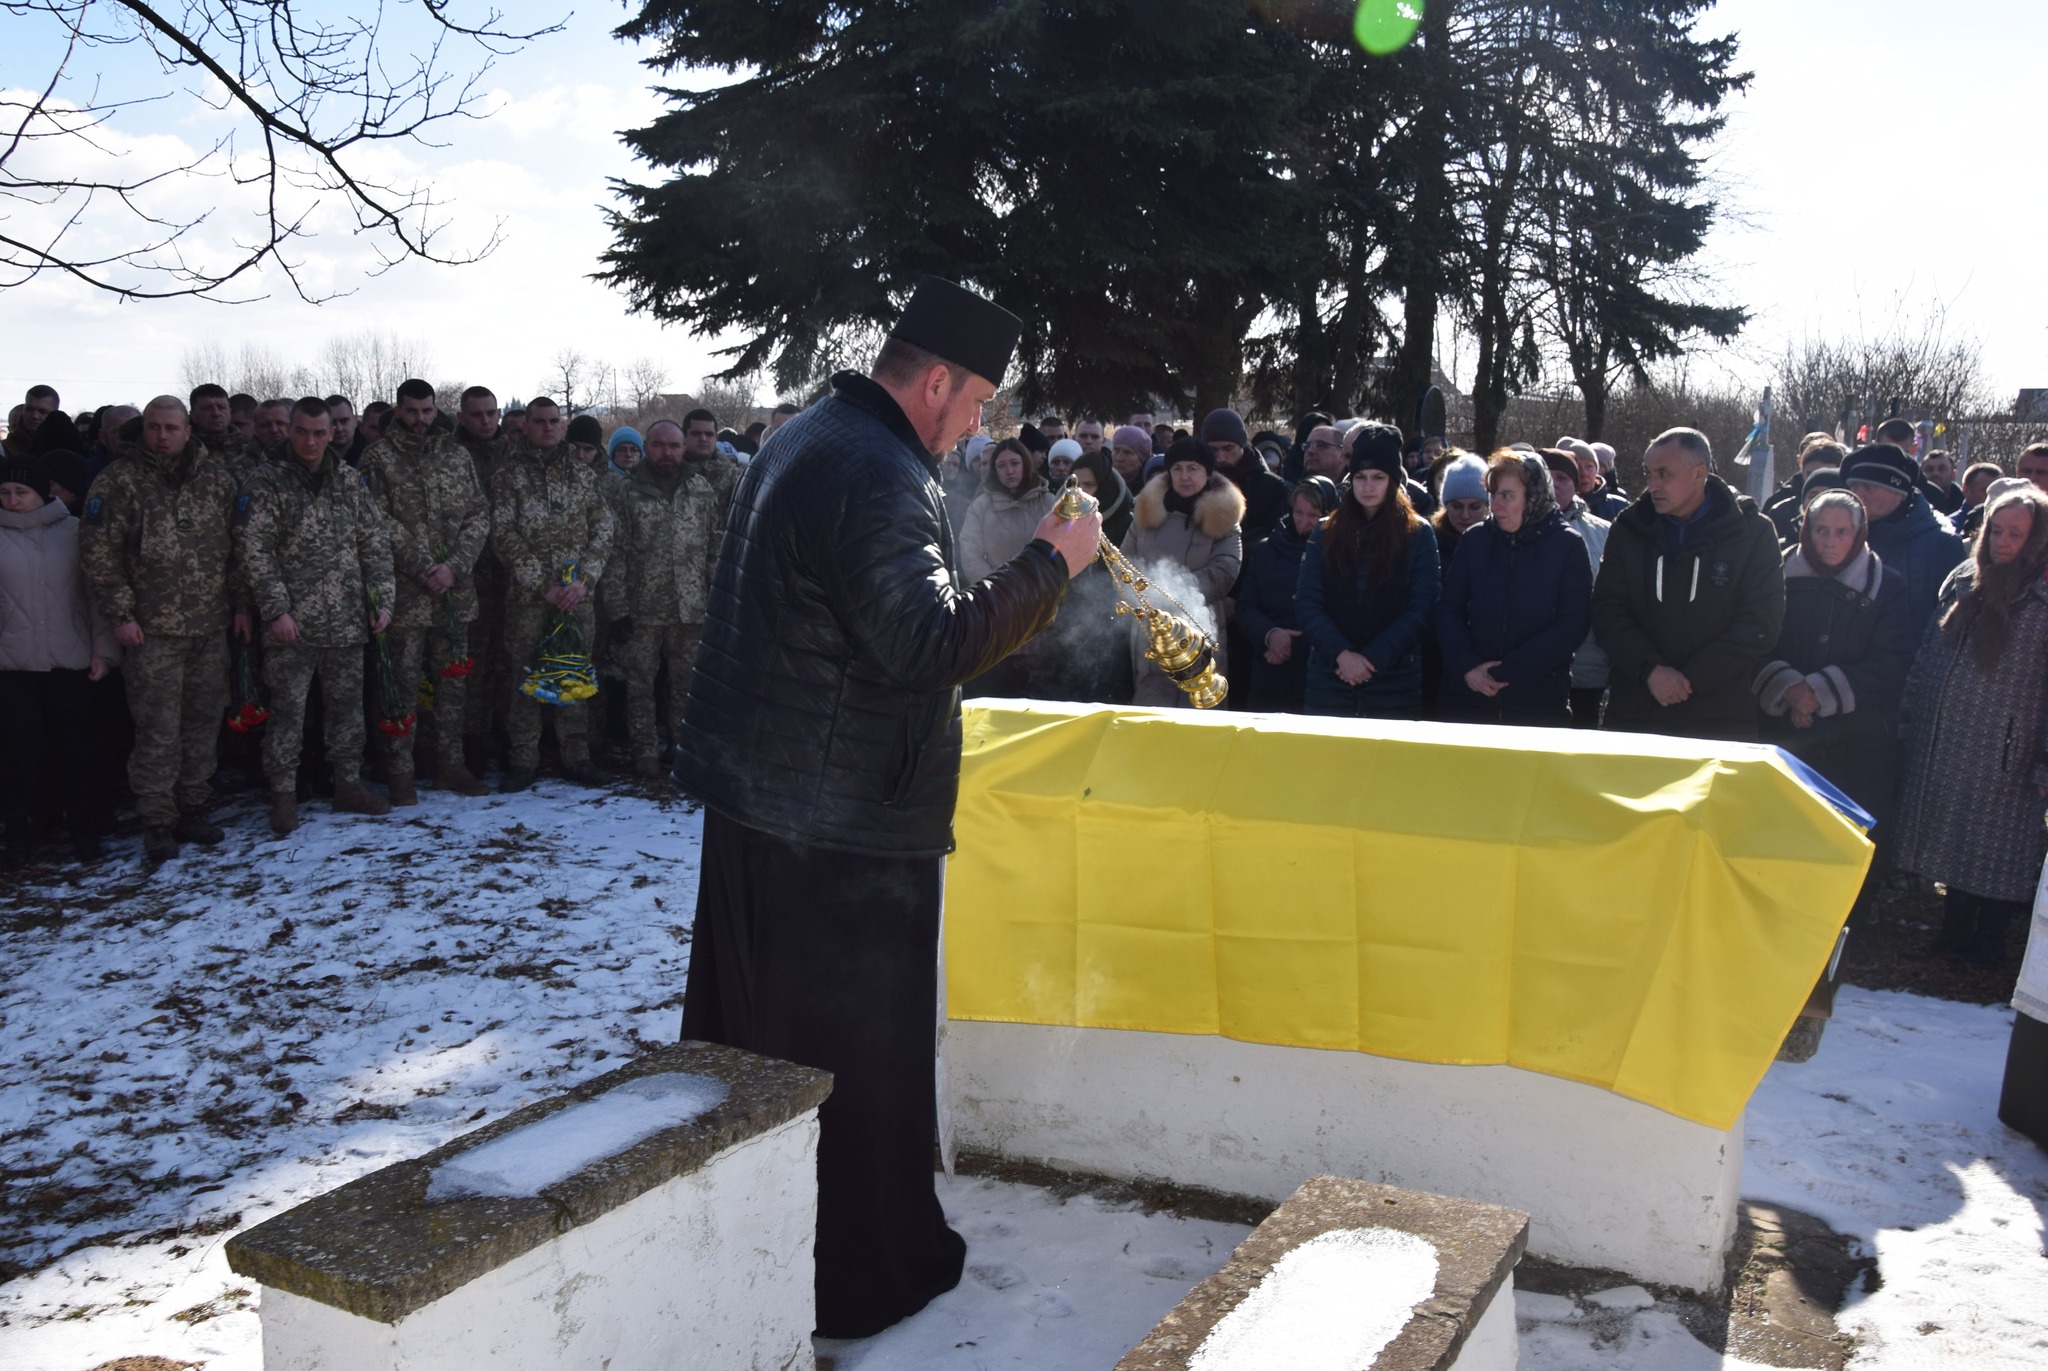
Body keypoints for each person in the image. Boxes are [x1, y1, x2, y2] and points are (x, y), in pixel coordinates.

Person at [674, 276, 1096, 1338]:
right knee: (841, 1073)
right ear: (938, 379)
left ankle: (751, 1254)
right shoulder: (871, 468)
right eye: (978, 403)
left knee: (756, 1062)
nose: (979, 428)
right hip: (838, 831)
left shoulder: (814, 432)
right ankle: (855, 1278)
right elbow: (922, 645)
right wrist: (1052, 564)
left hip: (768, 806)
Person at [79, 396, 245, 863]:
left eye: (171, 427)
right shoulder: (118, 482)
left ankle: (193, 808)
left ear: (188, 430)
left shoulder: (215, 480)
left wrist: (240, 606)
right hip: (151, 632)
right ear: (143, 430)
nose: (163, 436)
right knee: (157, 730)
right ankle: (156, 821)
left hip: (209, 625)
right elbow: (98, 558)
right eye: (154, 427)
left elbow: (235, 549)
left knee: (202, 723)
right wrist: (121, 616)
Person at [1896, 486, 2048, 970]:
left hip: (2011, 746)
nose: (2003, 542)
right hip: (1949, 737)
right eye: (1997, 531)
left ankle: (1990, 943)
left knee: (2001, 850)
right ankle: (1952, 932)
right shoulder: (1965, 578)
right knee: (1957, 840)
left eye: (2016, 534)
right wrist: (1912, 713)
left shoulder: (2043, 596)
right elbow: (1928, 649)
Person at [1753, 489, 1914, 927]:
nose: (1830, 541)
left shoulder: (1888, 585)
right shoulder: (1773, 572)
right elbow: (1752, 638)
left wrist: (1820, 693)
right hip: (1783, 730)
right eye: (1822, 530)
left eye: (1842, 532)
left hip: (1857, 736)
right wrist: (1788, 688)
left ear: (1860, 534)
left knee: (1847, 835)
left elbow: (1893, 659)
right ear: (1805, 528)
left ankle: (1846, 928)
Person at [238, 398, 398, 835]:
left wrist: (381, 602)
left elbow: (375, 545)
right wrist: (276, 609)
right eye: (302, 432)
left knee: (348, 712)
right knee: (288, 713)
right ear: (289, 431)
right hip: (294, 625)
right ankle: (283, 795)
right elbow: (256, 551)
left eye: (319, 433)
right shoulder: (267, 482)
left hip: (347, 620)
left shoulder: (349, 482)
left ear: (332, 434)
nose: (310, 441)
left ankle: (347, 784)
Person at [1592, 427, 1784, 741]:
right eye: (1649, 473)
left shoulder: (1751, 533)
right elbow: (1607, 610)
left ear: (1700, 473)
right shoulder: (1630, 528)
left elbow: (1761, 622)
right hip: (1636, 711)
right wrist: (1650, 671)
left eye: (1664, 474)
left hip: (1719, 718)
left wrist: (1691, 679)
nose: (1652, 485)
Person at [359, 379, 492, 802]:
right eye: (412, 411)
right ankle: (400, 769)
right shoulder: (377, 459)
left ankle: (449, 765)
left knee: (453, 685)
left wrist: (453, 567)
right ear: (398, 411)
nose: (420, 419)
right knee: (399, 685)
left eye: (427, 411)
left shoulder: (456, 456)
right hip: (405, 596)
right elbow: (376, 519)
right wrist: (423, 567)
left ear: (437, 411)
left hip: (454, 592)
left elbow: (478, 514)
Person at [489, 396, 616, 792]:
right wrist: (540, 584)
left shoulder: (582, 476)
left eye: (554, 421)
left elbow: (603, 531)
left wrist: (584, 582)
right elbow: (503, 535)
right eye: (539, 421)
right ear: (526, 426)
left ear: (563, 426)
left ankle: (575, 756)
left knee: (573, 674)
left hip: (576, 598)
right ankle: (523, 759)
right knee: (524, 677)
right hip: (530, 600)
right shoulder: (508, 476)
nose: (547, 428)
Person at [0, 456, 118, 867]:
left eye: (22, 492)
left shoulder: (74, 532)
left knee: (76, 750)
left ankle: (83, 830)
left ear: (43, 493)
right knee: (18, 754)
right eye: (5, 492)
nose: (12, 500)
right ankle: (20, 834)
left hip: (69, 661)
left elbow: (97, 597)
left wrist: (103, 651)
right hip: (12, 667)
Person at [609, 416, 735, 780]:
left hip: (691, 608)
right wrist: (617, 609)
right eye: (660, 445)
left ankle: (682, 747)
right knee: (640, 685)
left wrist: (718, 599)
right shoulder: (624, 492)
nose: (668, 452)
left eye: (674, 446)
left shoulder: (699, 490)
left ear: (683, 449)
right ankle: (645, 752)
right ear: (647, 448)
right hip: (641, 608)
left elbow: (715, 547)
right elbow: (614, 552)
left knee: (686, 686)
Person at [1297, 422, 1440, 719]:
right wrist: (1342, 655)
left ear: (1392, 480)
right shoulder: (1327, 531)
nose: (1368, 486)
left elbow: (1422, 608)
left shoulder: (1417, 533)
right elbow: (1308, 601)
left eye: (1378, 477)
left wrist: (1371, 659)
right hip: (1330, 677)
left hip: (1394, 682)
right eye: (1360, 477)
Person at [1435, 449, 1590, 724]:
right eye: (1493, 495)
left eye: (1507, 495)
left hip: (1537, 703)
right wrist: (1467, 666)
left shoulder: (1567, 546)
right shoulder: (1475, 541)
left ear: (1533, 495)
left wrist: (1506, 673)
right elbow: (1449, 610)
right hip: (1469, 699)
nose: (1496, 506)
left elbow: (1572, 625)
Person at [1120, 437, 1244, 707]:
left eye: (1193, 468)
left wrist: (1169, 593)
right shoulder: (1146, 513)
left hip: (1201, 628)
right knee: (1151, 719)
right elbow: (1125, 564)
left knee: (1199, 715)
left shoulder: (1223, 516)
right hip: (1150, 633)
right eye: (1177, 469)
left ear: (1207, 472)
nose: (1185, 476)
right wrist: (1142, 595)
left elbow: (1225, 570)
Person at [1843, 443, 1966, 643]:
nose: (1859, 494)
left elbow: (1952, 626)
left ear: (1898, 493)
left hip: (1913, 667)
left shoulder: (1943, 545)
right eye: (1855, 486)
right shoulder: (1843, 538)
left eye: (1869, 487)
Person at [1238, 477, 1337, 712]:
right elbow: (1246, 607)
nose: (1304, 522)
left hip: (1321, 669)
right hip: (1271, 667)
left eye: (1313, 515)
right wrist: (1270, 635)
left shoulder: (1338, 555)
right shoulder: (1265, 551)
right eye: (1299, 513)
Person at [1543, 448, 1613, 728]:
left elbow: (1610, 602)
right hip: (1528, 675)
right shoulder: (1507, 530)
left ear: (1575, 485)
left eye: (1562, 477)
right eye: (1547, 476)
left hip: (1586, 672)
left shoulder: (1605, 533)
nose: (1554, 484)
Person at [961, 437, 1056, 584]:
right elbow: (971, 555)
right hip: (997, 596)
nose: (1010, 471)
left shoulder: (1048, 502)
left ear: (1025, 463)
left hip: (1043, 591)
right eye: (1001, 465)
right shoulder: (980, 507)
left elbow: (1061, 549)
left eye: (1015, 463)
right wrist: (996, 589)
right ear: (995, 469)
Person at [1201, 408, 1288, 550]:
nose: (1220, 458)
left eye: (1228, 448)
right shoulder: (1194, 483)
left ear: (1242, 444)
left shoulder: (1272, 487)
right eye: (1213, 450)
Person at [1431, 453, 1489, 570]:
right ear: (1445, 505)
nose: (1465, 515)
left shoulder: (1501, 542)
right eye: (1457, 506)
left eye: (1475, 507)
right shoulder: (1430, 543)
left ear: (1488, 506)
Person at [1920, 448, 1964, 517]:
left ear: (1953, 474)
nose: (1935, 473)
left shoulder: (1964, 511)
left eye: (1942, 469)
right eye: (1929, 469)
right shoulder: (1911, 504)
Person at [1109, 425, 1151, 494]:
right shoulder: (1102, 482)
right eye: (1116, 450)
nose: (1119, 458)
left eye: (1127, 452)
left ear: (1142, 458)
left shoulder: (1152, 488)